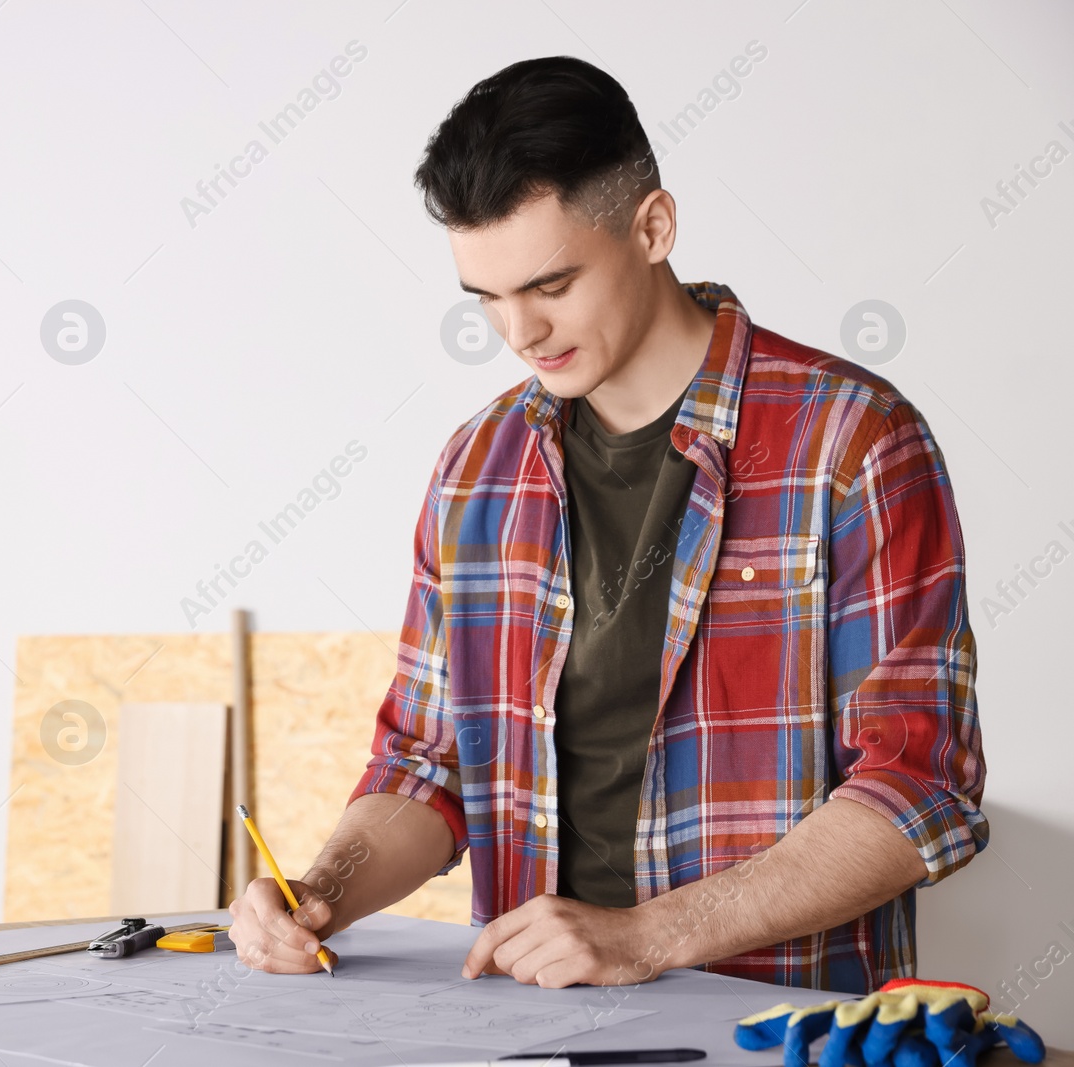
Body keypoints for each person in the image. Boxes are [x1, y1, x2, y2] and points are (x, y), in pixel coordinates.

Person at [227, 55, 985, 994]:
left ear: (654, 226)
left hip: (770, 1024)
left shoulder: (851, 441)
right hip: (527, 1025)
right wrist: (319, 890)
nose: (520, 332)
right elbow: (426, 765)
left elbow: (917, 786)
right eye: (488, 299)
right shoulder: (477, 470)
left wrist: (646, 935)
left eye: (550, 286)